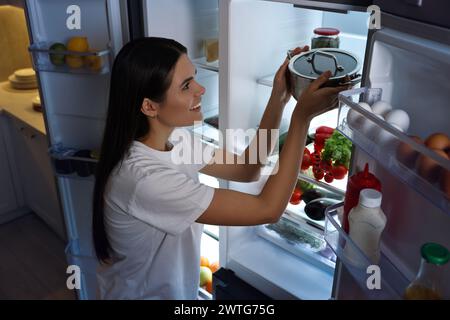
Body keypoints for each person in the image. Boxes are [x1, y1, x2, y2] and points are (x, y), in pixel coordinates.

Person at [92, 37, 346, 299]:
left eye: (195, 77)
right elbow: (267, 209)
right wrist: (302, 118)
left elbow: (248, 168)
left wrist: (279, 97)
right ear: (149, 106)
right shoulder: (144, 179)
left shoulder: (174, 139)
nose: (200, 89)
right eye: (186, 85)